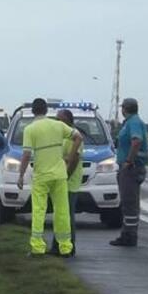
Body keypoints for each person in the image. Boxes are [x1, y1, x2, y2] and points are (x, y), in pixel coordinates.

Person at [17, 98, 83, 257]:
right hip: (59, 175)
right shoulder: (58, 125)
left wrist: (21, 175)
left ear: (33, 111)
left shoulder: (30, 129)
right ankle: (65, 247)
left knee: (39, 211)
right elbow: (78, 137)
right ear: (46, 110)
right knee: (62, 211)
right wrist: (70, 158)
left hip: (42, 176)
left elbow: (26, 155)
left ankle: (37, 248)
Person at [110, 98, 148, 247]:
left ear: (125, 109)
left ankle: (130, 236)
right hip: (130, 166)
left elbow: (136, 141)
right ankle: (127, 233)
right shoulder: (131, 122)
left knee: (130, 203)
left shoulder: (133, 122)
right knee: (127, 203)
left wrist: (128, 160)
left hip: (131, 167)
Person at [49, 109, 84, 256]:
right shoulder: (64, 136)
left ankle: (68, 247)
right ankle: (57, 246)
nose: (57, 122)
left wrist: (66, 176)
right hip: (60, 180)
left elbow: (74, 160)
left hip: (69, 183)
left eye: (60, 119)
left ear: (68, 121)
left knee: (66, 216)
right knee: (60, 215)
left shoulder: (74, 137)